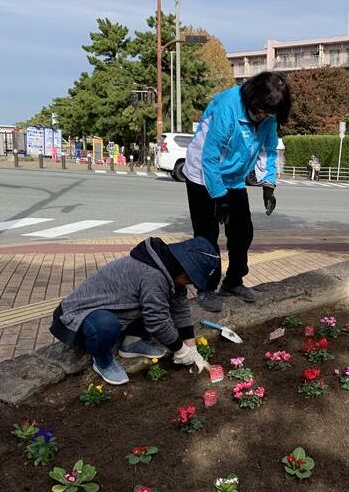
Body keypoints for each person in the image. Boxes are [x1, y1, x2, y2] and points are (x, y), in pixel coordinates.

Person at [183, 71, 292, 313]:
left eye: (270, 114)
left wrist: (268, 184)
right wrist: (219, 196)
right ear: (253, 99)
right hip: (202, 174)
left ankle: (233, 281)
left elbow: (268, 150)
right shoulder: (228, 107)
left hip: (233, 177)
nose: (265, 117)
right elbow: (210, 157)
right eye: (262, 111)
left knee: (242, 231)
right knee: (206, 234)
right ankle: (206, 288)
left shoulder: (269, 114)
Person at [49, 236, 220, 385]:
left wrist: (192, 349)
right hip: (78, 315)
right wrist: (181, 351)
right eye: (188, 280)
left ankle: (131, 343)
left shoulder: (169, 269)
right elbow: (157, 322)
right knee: (107, 325)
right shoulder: (153, 275)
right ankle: (103, 361)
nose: (187, 285)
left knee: (158, 305)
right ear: (185, 271)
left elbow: (180, 308)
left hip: (118, 310)